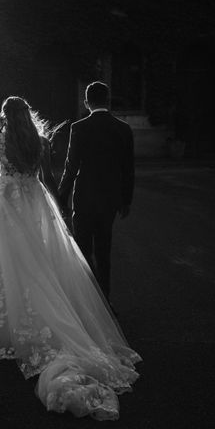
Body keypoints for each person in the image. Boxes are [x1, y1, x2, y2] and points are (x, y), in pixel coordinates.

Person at [0, 96, 140, 421]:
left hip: (7, 200)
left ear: (5, 117)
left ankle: (17, 316)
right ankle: (41, 308)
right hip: (32, 199)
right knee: (37, 258)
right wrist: (57, 209)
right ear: (27, 116)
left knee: (9, 258)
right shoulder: (39, 140)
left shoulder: (1, 137)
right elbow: (47, 178)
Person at [58, 81, 135, 306]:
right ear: (108, 101)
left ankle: (85, 302)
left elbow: (71, 167)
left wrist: (62, 196)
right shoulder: (123, 128)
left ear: (86, 102)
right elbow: (128, 168)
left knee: (83, 249)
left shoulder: (79, 128)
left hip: (84, 196)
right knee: (104, 250)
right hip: (110, 198)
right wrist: (126, 200)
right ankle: (105, 302)